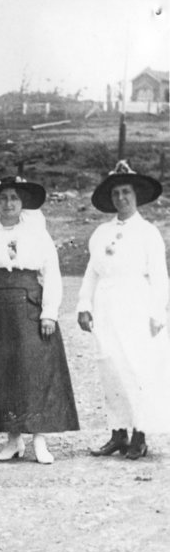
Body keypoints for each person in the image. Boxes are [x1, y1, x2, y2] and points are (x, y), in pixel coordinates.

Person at [0, 177, 79, 464]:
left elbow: (51, 273)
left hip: (30, 306)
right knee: (3, 372)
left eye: (14, 198)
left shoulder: (37, 233)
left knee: (34, 371)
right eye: (3, 198)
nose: (9, 203)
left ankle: (39, 439)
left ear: (22, 201)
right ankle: (13, 439)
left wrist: (49, 312)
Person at [78, 161, 170, 460]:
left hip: (135, 305)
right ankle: (118, 433)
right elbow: (92, 272)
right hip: (106, 305)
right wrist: (83, 305)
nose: (121, 198)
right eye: (116, 193)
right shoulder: (102, 232)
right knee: (109, 368)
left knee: (136, 368)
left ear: (136, 195)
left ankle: (139, 435)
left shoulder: (148, 232)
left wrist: (158, 314)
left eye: (126, 192)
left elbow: (160, 277)